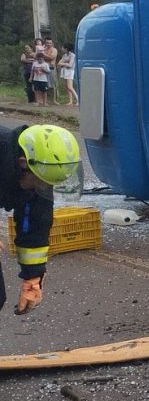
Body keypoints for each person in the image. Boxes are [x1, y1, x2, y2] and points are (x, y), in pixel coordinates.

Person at [0, 124, 80, 314]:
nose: (42, 188)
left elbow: (35, 224)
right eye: (39, 182)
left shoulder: (40, 170)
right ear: (22, 164)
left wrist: (33, 278)